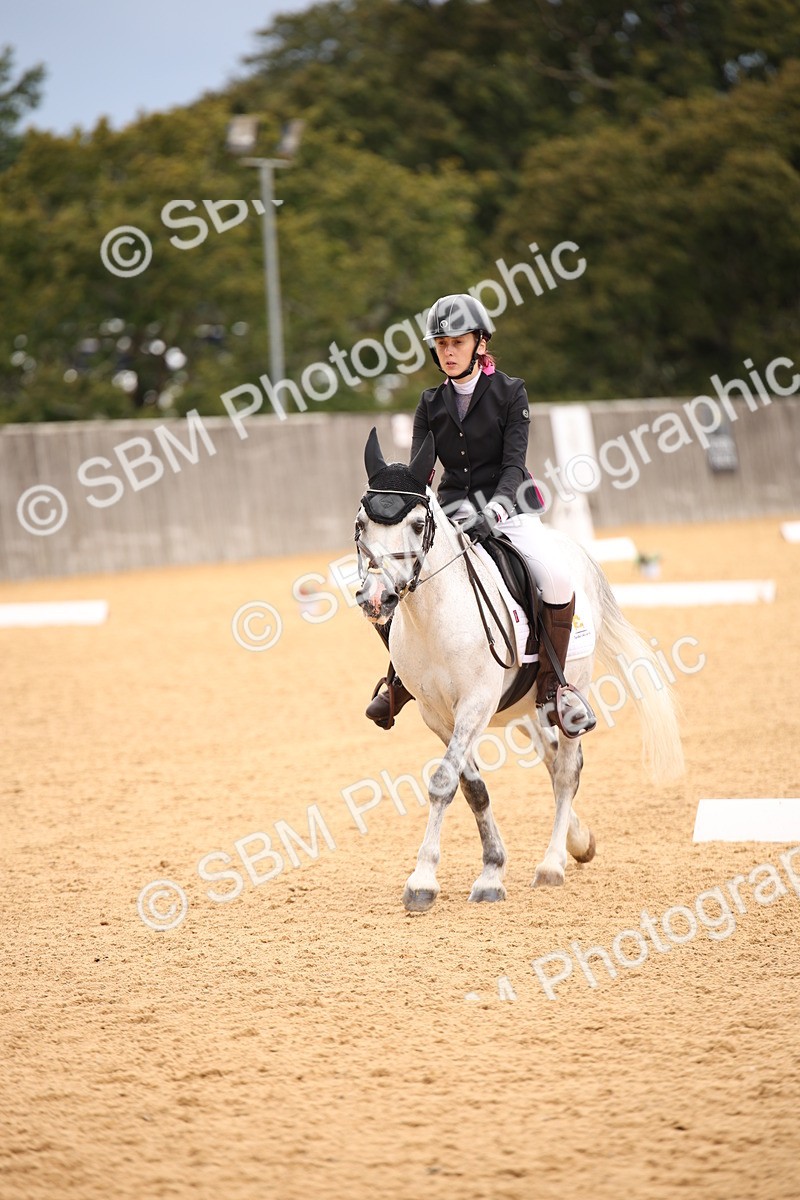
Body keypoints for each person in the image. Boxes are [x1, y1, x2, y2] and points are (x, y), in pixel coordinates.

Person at [365, 293, 594, 737]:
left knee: (556, 577)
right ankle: (399, 679)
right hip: (451, 513)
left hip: (510, 509)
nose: (448, 352)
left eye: (457, 342)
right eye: (441, 344)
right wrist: (406, 505)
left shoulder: (511, 393)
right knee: (397, 576)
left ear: (480, 343)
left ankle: (555, 686)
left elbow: (513, 464)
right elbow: (421, 472)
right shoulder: (429, 403)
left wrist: (496, 508)